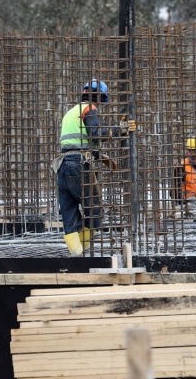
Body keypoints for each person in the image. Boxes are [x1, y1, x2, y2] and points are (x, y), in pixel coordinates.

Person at [54, 79, 135, 256]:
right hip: (79, 166)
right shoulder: (89, 109)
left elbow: (78, 142)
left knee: (69, 215)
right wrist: (118, 130)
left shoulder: (71, 112)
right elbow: (97, 134)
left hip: (62, 167)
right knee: (95, 213)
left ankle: (76, 257)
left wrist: (99, 155)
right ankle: (84, 254)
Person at [171, 138, 196, 204]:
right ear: (187, 152)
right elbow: (173, 191)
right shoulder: (181, 167)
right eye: (191, 151)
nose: (193, 154)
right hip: (184, 203)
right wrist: (183, 203)